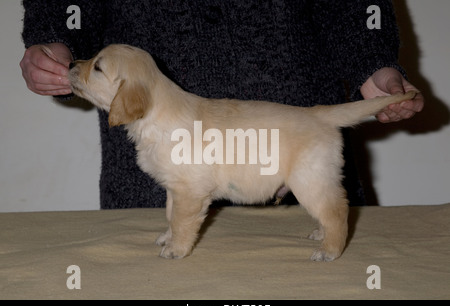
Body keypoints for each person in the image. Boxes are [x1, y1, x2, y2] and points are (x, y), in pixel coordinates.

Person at [20, 1, 424, 209]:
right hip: (151, 186)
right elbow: (66, 6)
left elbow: (357, 9)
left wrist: (372, 62)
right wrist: (56, 40)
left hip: (294, 153)